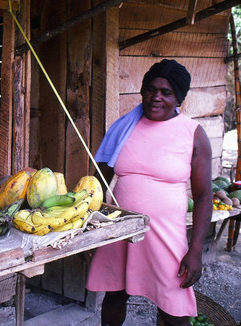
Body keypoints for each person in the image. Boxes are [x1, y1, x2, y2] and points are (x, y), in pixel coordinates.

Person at [86, 59, 213, 326]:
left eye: (166, 93)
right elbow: (97, 184)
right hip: (120, 228)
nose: (156, 97)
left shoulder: (193, 134)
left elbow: (203, 196)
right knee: (114, 296)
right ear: (142, 91)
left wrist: (196, 250)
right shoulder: (123, 128)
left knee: (174, 309)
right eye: (150, 89)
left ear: (179, 98)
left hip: (165, 234)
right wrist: (90, 229)